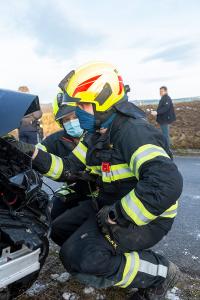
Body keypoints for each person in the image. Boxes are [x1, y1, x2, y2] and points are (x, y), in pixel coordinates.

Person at [10, 62, 183, 300]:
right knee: (59, 229)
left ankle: (160, 273)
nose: (78, 111)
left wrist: (118, 214)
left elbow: (166, 183)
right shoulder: (96, 134)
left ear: (102, 102)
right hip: (109, 204)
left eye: (82, 104)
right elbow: (68, 168)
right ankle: (106, 261)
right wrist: (31, 153)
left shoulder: (133, 132)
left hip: (147, 215)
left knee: (84, 257)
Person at [36, 92, 95, 220]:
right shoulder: (56, 139)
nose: (72, 122)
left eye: (75, 117)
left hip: (101, 193)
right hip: (75, 189)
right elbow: (36, 152)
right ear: (61, 123)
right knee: (53, 213)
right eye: (66, 120)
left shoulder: (96, 135)